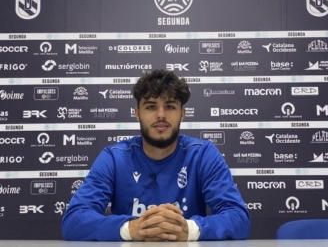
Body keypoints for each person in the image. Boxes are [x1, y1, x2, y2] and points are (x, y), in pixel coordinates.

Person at [61, 69, 251, 241]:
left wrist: (189, 229)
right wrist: (131, 229)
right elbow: (74, 219)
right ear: (137, 113)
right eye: (151, 107)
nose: (161, 115)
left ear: (182, 114)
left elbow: (238, 217)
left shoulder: (203, 154)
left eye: (170, 106)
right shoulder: (114, 157)